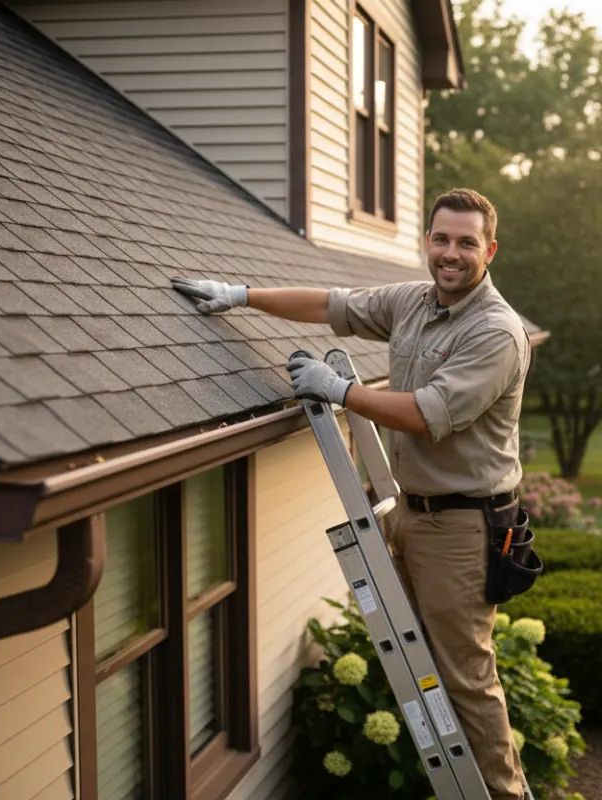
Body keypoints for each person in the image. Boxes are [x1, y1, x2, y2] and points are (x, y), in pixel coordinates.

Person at [170, 188, 533, 800]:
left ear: (489, 251)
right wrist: (241, 295)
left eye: (466, 243)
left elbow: (425, 414)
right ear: (427, 242)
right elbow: (330, 303)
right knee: (425, 670)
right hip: (413, 513)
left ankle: (505, 796)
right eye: (442, 239)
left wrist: (338, 390)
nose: (451, 253)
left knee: (467, 679)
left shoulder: (495, 332)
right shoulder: (413, 302)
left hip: (463, 528)